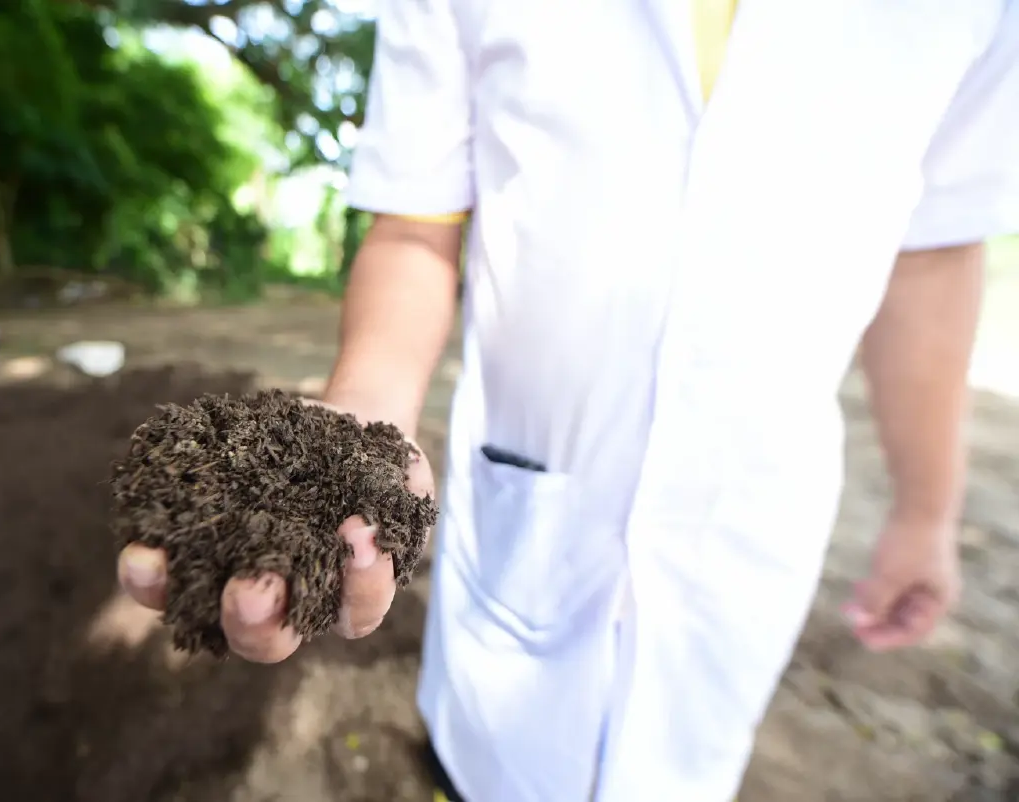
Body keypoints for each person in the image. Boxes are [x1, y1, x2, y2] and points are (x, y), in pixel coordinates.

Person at [118, 1, 1019, 800]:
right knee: (487, 767)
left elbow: (935, 250)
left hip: (747, 522)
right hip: (527, 505)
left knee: (682, 770)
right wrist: (362, 425)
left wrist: (927, 510)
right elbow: (415, 227)